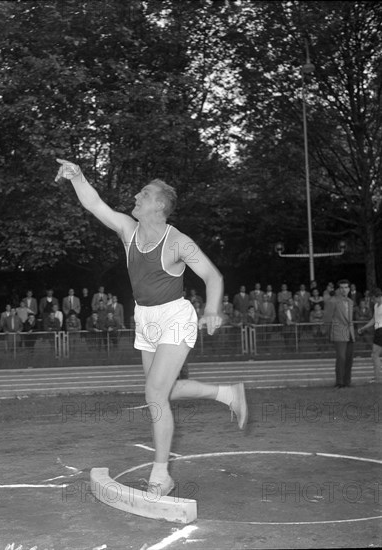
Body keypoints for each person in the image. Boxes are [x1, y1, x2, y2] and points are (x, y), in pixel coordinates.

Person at [56, 158, 248, 498]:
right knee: (162, 391)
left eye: (144, 193)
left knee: (155, 395)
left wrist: (214, 310)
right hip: (144, 319)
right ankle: (226, 394)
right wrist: (78, 176)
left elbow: (212, 276)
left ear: (159, 205)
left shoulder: (178, 242)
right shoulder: (128, 230)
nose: (136, 195)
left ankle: (162, 476)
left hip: (175, 317)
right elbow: (93, 203)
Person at [323, 279, 355, 388]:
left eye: (346, 287)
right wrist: (327, 332)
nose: (344, 290)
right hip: (338, 332)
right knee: (341, 358)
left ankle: (347, 382)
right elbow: (327, 318)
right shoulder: (332, 301)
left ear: (349, 289)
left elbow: (350, 320)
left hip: (350, 333)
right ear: (338, 289)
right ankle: (340, 382)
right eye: (341, 287)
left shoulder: (350, 302)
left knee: (349, 358)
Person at [358, 288, 382, 383]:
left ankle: (377, 378)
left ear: (378, 297)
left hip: (381, 330)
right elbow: (374, 319)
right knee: (375, 354)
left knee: (375, 354)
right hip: (378, 330)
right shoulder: (376, 305)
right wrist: (364, 327)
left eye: (373, 298)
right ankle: (377, 377)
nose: (372, 300)